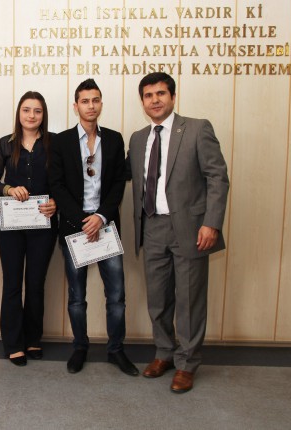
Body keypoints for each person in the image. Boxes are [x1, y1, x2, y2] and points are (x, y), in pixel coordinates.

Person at [126, 72, 229, 393]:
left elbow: (217, 177)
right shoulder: (138, 138)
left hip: (190, 228)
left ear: (172, 97)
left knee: (189, 299)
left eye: (161, 93)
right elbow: (120, 174)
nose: (155, 100)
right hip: (151, 226)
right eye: (148, 95)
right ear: (142, 102)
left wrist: (212, 222)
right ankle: (164, 353)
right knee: (158, 298)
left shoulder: (197, 129)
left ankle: (186, 363)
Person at [48, 78, 138, 376]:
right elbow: (57, 185)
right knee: (77, 297)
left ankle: (116, 350)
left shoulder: (114, 139)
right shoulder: (61, 141)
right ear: (75, 106)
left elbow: (118, 183)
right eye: (85, 101)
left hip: (106, 226)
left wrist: (100, 217)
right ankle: (80, 347)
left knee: (117, 297)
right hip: (74, 228)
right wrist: (82, 221)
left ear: (101, 104)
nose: (91, 106)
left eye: (95, 100)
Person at [0, 91, 58, 366]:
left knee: (36, 284)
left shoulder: (54, 143)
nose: (31, 115)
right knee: (13, 283)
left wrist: (56, 201)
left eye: (37, 111)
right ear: (19, 113)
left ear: (43, 114)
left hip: (43, 224)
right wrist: (8, 189)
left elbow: (64, 181)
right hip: (10, 225)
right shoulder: (6, 143)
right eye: (26, 110)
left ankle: (33, 339)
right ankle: (14, 344)